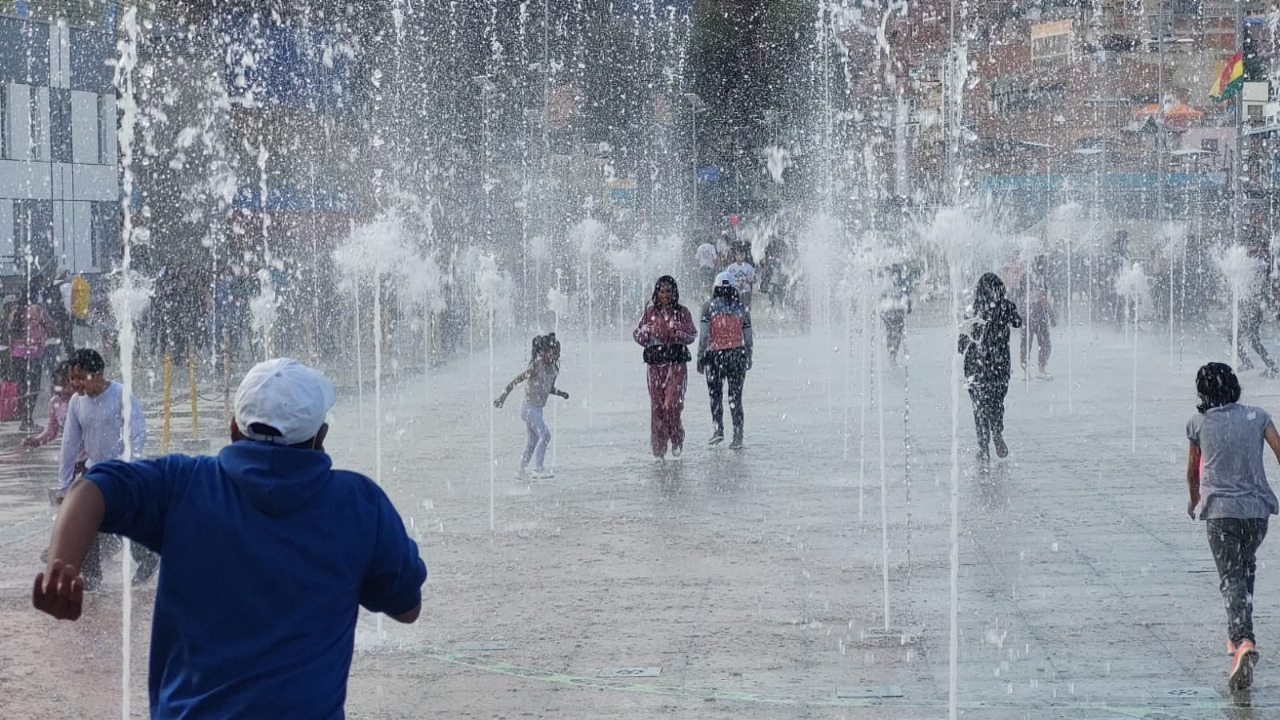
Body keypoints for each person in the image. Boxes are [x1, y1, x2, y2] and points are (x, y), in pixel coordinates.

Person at [32, 357, 426, 717]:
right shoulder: (359, 504)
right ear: (320, 437)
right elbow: (407, 608)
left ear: (233, 428)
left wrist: (60, 566)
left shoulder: (182, 485)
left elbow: (91, 490)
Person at [1185, 362, 1280, 691]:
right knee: (1245, 569)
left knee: (1231, 578)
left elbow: (1193, 471)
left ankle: (1242, 641)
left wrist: (1193, 499)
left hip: (1221, 514)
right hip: (1257, 514)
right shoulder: (1259, 416)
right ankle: (1242, 639)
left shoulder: (1198, 423)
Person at [56, 348, 156, 589]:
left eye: (81, 378)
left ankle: (147, 557)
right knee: (85, 520)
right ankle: (92, 576)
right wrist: (63, 483)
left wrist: (128, 468)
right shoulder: (76, 403)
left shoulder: (121, 395)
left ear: (98, 374)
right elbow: (69, 444)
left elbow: (137, 435)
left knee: (120, 520)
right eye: (72, 379)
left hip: (121, 469)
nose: (75, 385)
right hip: (94, 470)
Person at [958, 273, 1023, 462]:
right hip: (1000, 364)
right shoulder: (1006, 307)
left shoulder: (973, 311)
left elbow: (962, 341)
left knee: (979, 406)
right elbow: (1018, 322)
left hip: (976, 366)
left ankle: (984, 446)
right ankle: (996, 429)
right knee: (996, 402)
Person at [634, 276, 697, 458]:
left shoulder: (682, 312)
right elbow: (637, 333)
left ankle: (677, 437)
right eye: (661, 291)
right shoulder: (649, 312)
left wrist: (680, 333)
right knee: (657, 407)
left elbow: (692, 334)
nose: (665, 295)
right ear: (657, 292)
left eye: (668, 291)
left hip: (676, 364)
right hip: (655, 365)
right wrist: (644, 334)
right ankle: (659, 447)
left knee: (672, 404)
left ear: (674, 292)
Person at [495, 333, 569, 479]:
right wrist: (503, 397)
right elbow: (517, 380)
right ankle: (538, 469)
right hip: (528, 407)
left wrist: (561, 393)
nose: (555, 355)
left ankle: (520, 471)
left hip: (537, 409)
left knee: (532, 442)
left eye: (557, 352)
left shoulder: (553, 370)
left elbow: (547, 388)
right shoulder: (536, 366)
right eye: (552, 352)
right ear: (543, 351)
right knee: (546, 435)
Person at [697, 272, 753, 448]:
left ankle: (718, 430)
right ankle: (737, 435)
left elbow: (705, 335)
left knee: (715, 395)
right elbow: (748, 337)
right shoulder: (742, 308)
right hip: (737, 354)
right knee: (735, 397)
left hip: (715, 356)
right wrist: (749, 355)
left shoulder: (708, 307)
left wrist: (700, 357)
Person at [10, 287, 57, 432]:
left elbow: (9, 332)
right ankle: (27, 420)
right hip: (33, 354)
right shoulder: (37, 310)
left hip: (17, 355)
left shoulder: (14, 312)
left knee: (23, 387)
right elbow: (51, 326)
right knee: (34, 388)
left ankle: (24, 419)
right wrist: (44, 335)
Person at [1019, 255, 1057, 380]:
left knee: (1026, 343)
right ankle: (1041, 369)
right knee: (1045, 342)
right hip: (1038, 313)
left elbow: (1021, 295)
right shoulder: (1039, 278)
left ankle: (1026, 371)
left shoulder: (1026, 276)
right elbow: (1043, 297)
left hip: (1027, 313)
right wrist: (1051, 314)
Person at [23, 361, 72, 450]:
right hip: (72, 456)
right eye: (58, 386)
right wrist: (37, 440)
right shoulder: (55, 402)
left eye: (65, 385)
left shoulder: (83, 400)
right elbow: (52, 429)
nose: (62, 391)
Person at [880, 263, 912, 366]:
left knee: (890, 330)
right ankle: (893, 353)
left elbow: (882, 294)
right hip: (898, 308)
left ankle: (892, 353)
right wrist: (909, 305)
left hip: (888, 308)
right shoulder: (902, 276)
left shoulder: (886, 277)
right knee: (898, 331)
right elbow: (906, 292)